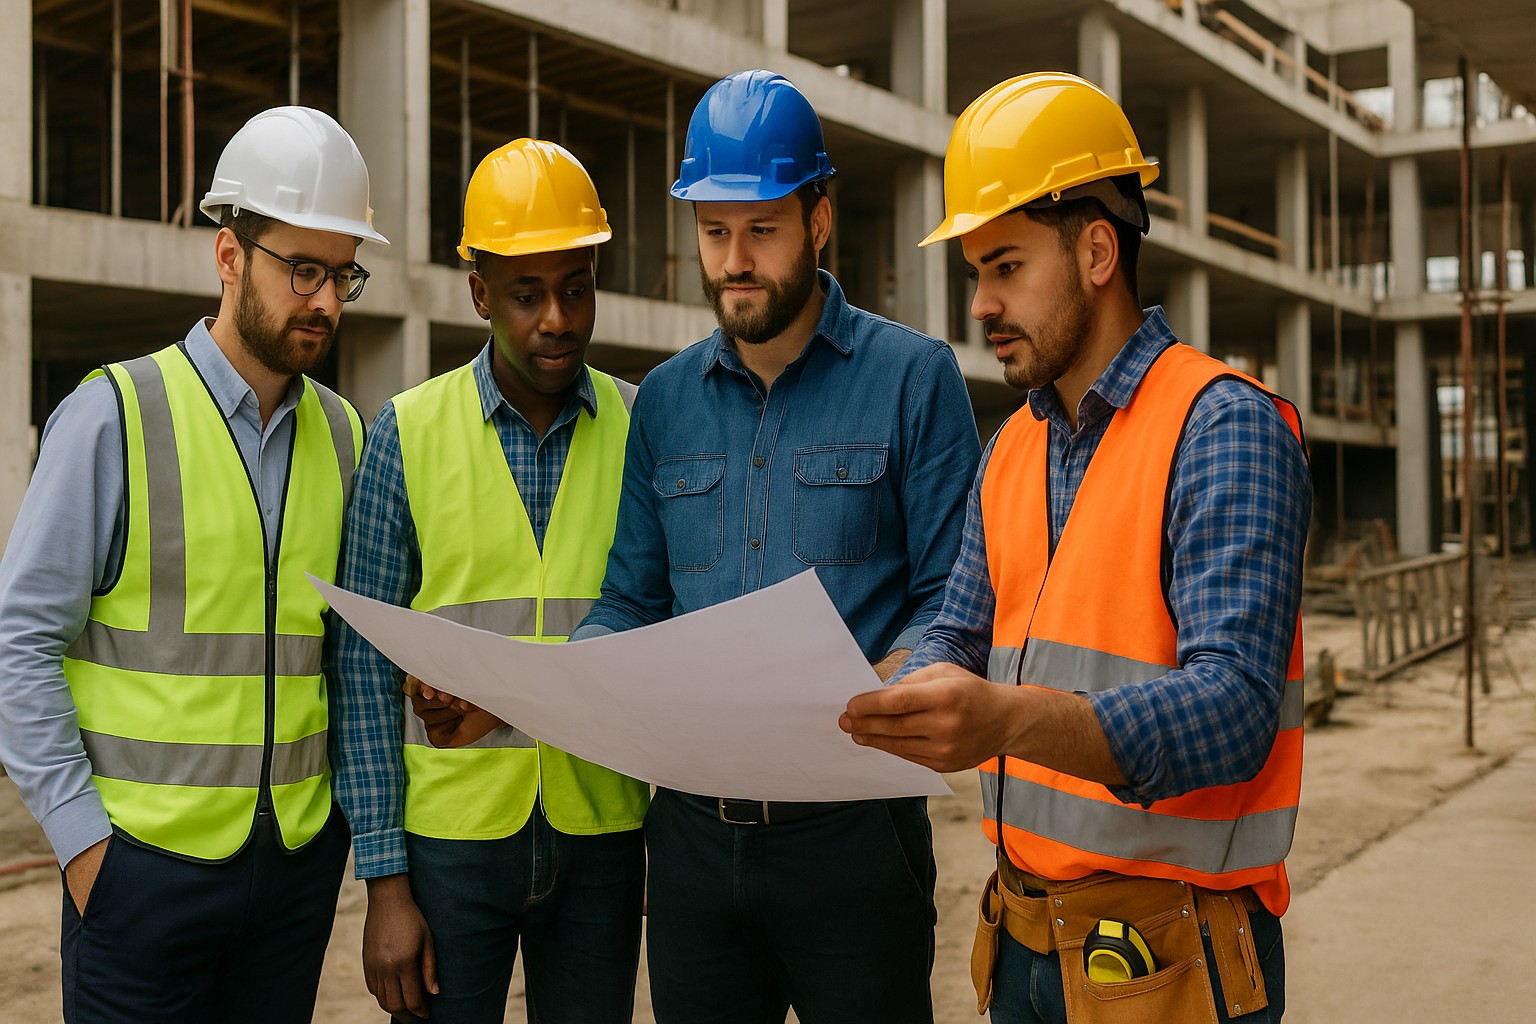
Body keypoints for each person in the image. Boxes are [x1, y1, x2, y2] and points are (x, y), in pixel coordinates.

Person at [840, 73, 1312, 1023]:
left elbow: (1235, 708)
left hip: (1176, 957)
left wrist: (1008, 720)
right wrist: (906, 687)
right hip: (1023, 941)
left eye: (1005, 266)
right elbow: (960, 632)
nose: (980, 304)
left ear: (1098, 250)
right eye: (976, 272)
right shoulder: (1011, 446)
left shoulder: (1222, 427)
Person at [564, 69, 982, 1024]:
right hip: (691, 850)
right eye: (714, 233)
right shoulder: (663, 402)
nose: (735, 261)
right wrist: (571, 683)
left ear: (819, 220)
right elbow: (630, 603)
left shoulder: (914, 380)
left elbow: (956, 601)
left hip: (855, 843)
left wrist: (892, 684)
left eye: (762, 230)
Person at [0, 105, 385, 1023]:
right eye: (302, 270)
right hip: (139, 881)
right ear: (228, 256)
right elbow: (20, 645)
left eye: (342, 276)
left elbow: (343, 656)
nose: (325, 300)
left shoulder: (345, 435)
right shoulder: (113, 415)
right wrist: (84, 847)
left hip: (292, 879)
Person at [328, 139, 649, 1024]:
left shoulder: (641, 428)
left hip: (604, 833)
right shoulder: (407, 432)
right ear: (479, 293)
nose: (557, 317)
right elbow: (362, 668)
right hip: (451, 844)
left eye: (575, 287)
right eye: (526, 293)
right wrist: (385, 880)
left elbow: (661, 633)